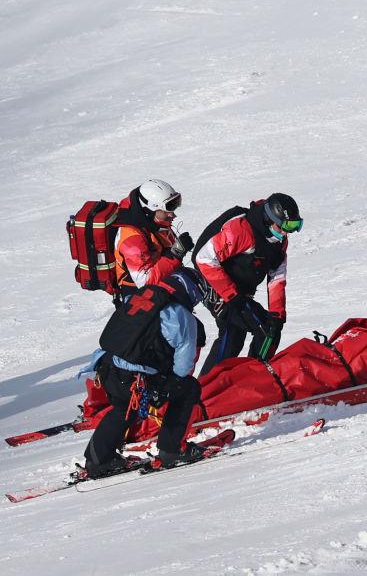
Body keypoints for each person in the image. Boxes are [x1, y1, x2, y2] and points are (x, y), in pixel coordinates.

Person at [120, 300, 367, 443]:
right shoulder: (364, 329)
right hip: (286, 364)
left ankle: (158, 424)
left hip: (300, 378)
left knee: (224, 398)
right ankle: (145, 410)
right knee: (223, 375)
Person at [80, 268, 208, 477]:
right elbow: (184, 367)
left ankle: (97, 460)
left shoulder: (137, 296)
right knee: (188, 388)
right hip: (136, 379)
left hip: (107, 369)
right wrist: (168, 385)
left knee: (123, 410)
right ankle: (171, 450)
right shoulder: (181, 315)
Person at [194, 193, 302, 376]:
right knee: (233, 331)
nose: (286, 232)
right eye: (284, 226)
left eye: (293, 226)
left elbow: (277, 276)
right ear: (269, 219)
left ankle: (252, 381)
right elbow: (204, 259)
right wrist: (231, 295)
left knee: (271, 330)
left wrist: (277, 313)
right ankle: (205, 391)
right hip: (214, 284)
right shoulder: (241, 231)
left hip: (239, 292)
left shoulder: (278, 242)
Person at [113, 179, 193, 297]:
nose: (173, 215)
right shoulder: (132, 239)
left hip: (161, 287)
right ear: (149, 209)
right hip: (139, 298)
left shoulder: (154, 223)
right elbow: (145, 282)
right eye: (167, 209)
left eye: (174, 205)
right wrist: (175, 255)